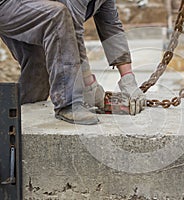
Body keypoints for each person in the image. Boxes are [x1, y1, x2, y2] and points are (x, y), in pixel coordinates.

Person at [0, 0, 144, 125]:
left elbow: (112, 28)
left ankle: (17, 115)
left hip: (31, 7)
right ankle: (68, 104)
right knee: (56, 16)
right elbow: (73, 35)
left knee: (40, 61)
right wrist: (89, 86)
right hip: (8, 5)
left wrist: (128, 79)